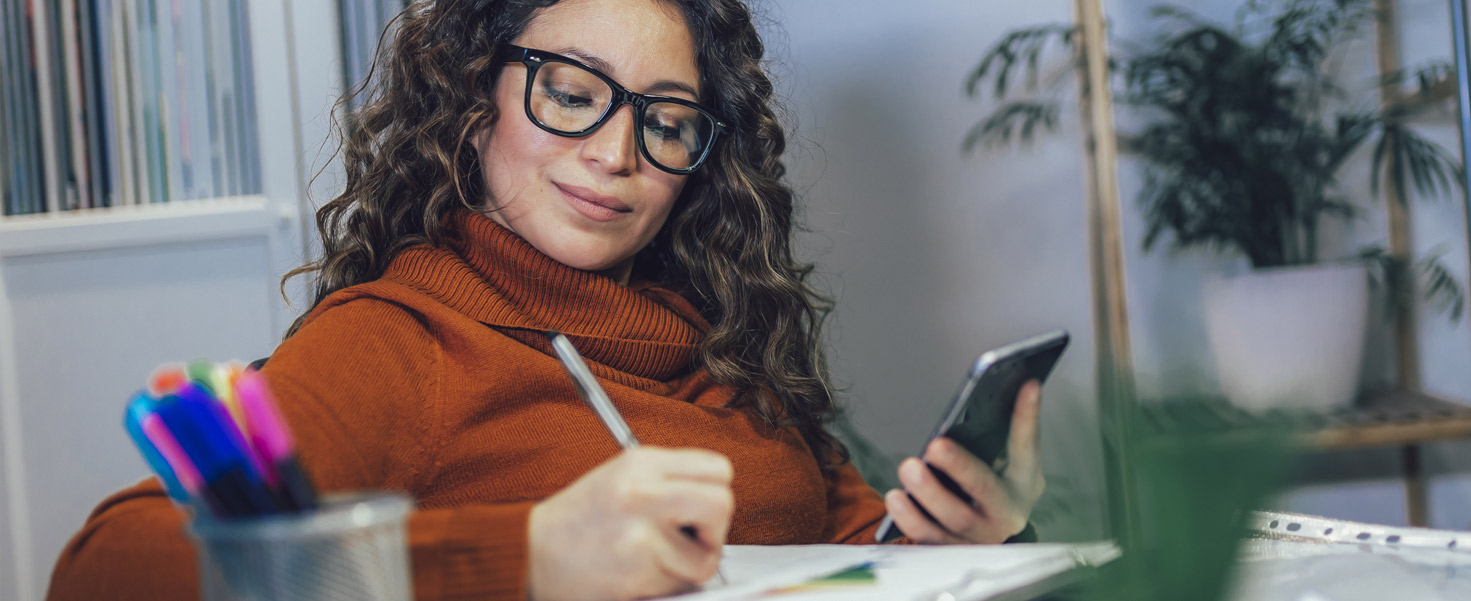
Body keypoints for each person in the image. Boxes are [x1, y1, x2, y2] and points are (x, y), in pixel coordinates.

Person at [47, 0, 1047, 600]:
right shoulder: (403, 343)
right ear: (477, 101)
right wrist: (527, 557)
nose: (616, 154)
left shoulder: (723, 344)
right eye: (572, 93)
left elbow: (844, 559)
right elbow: (104, 572)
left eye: (666, 122)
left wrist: (945, 542)